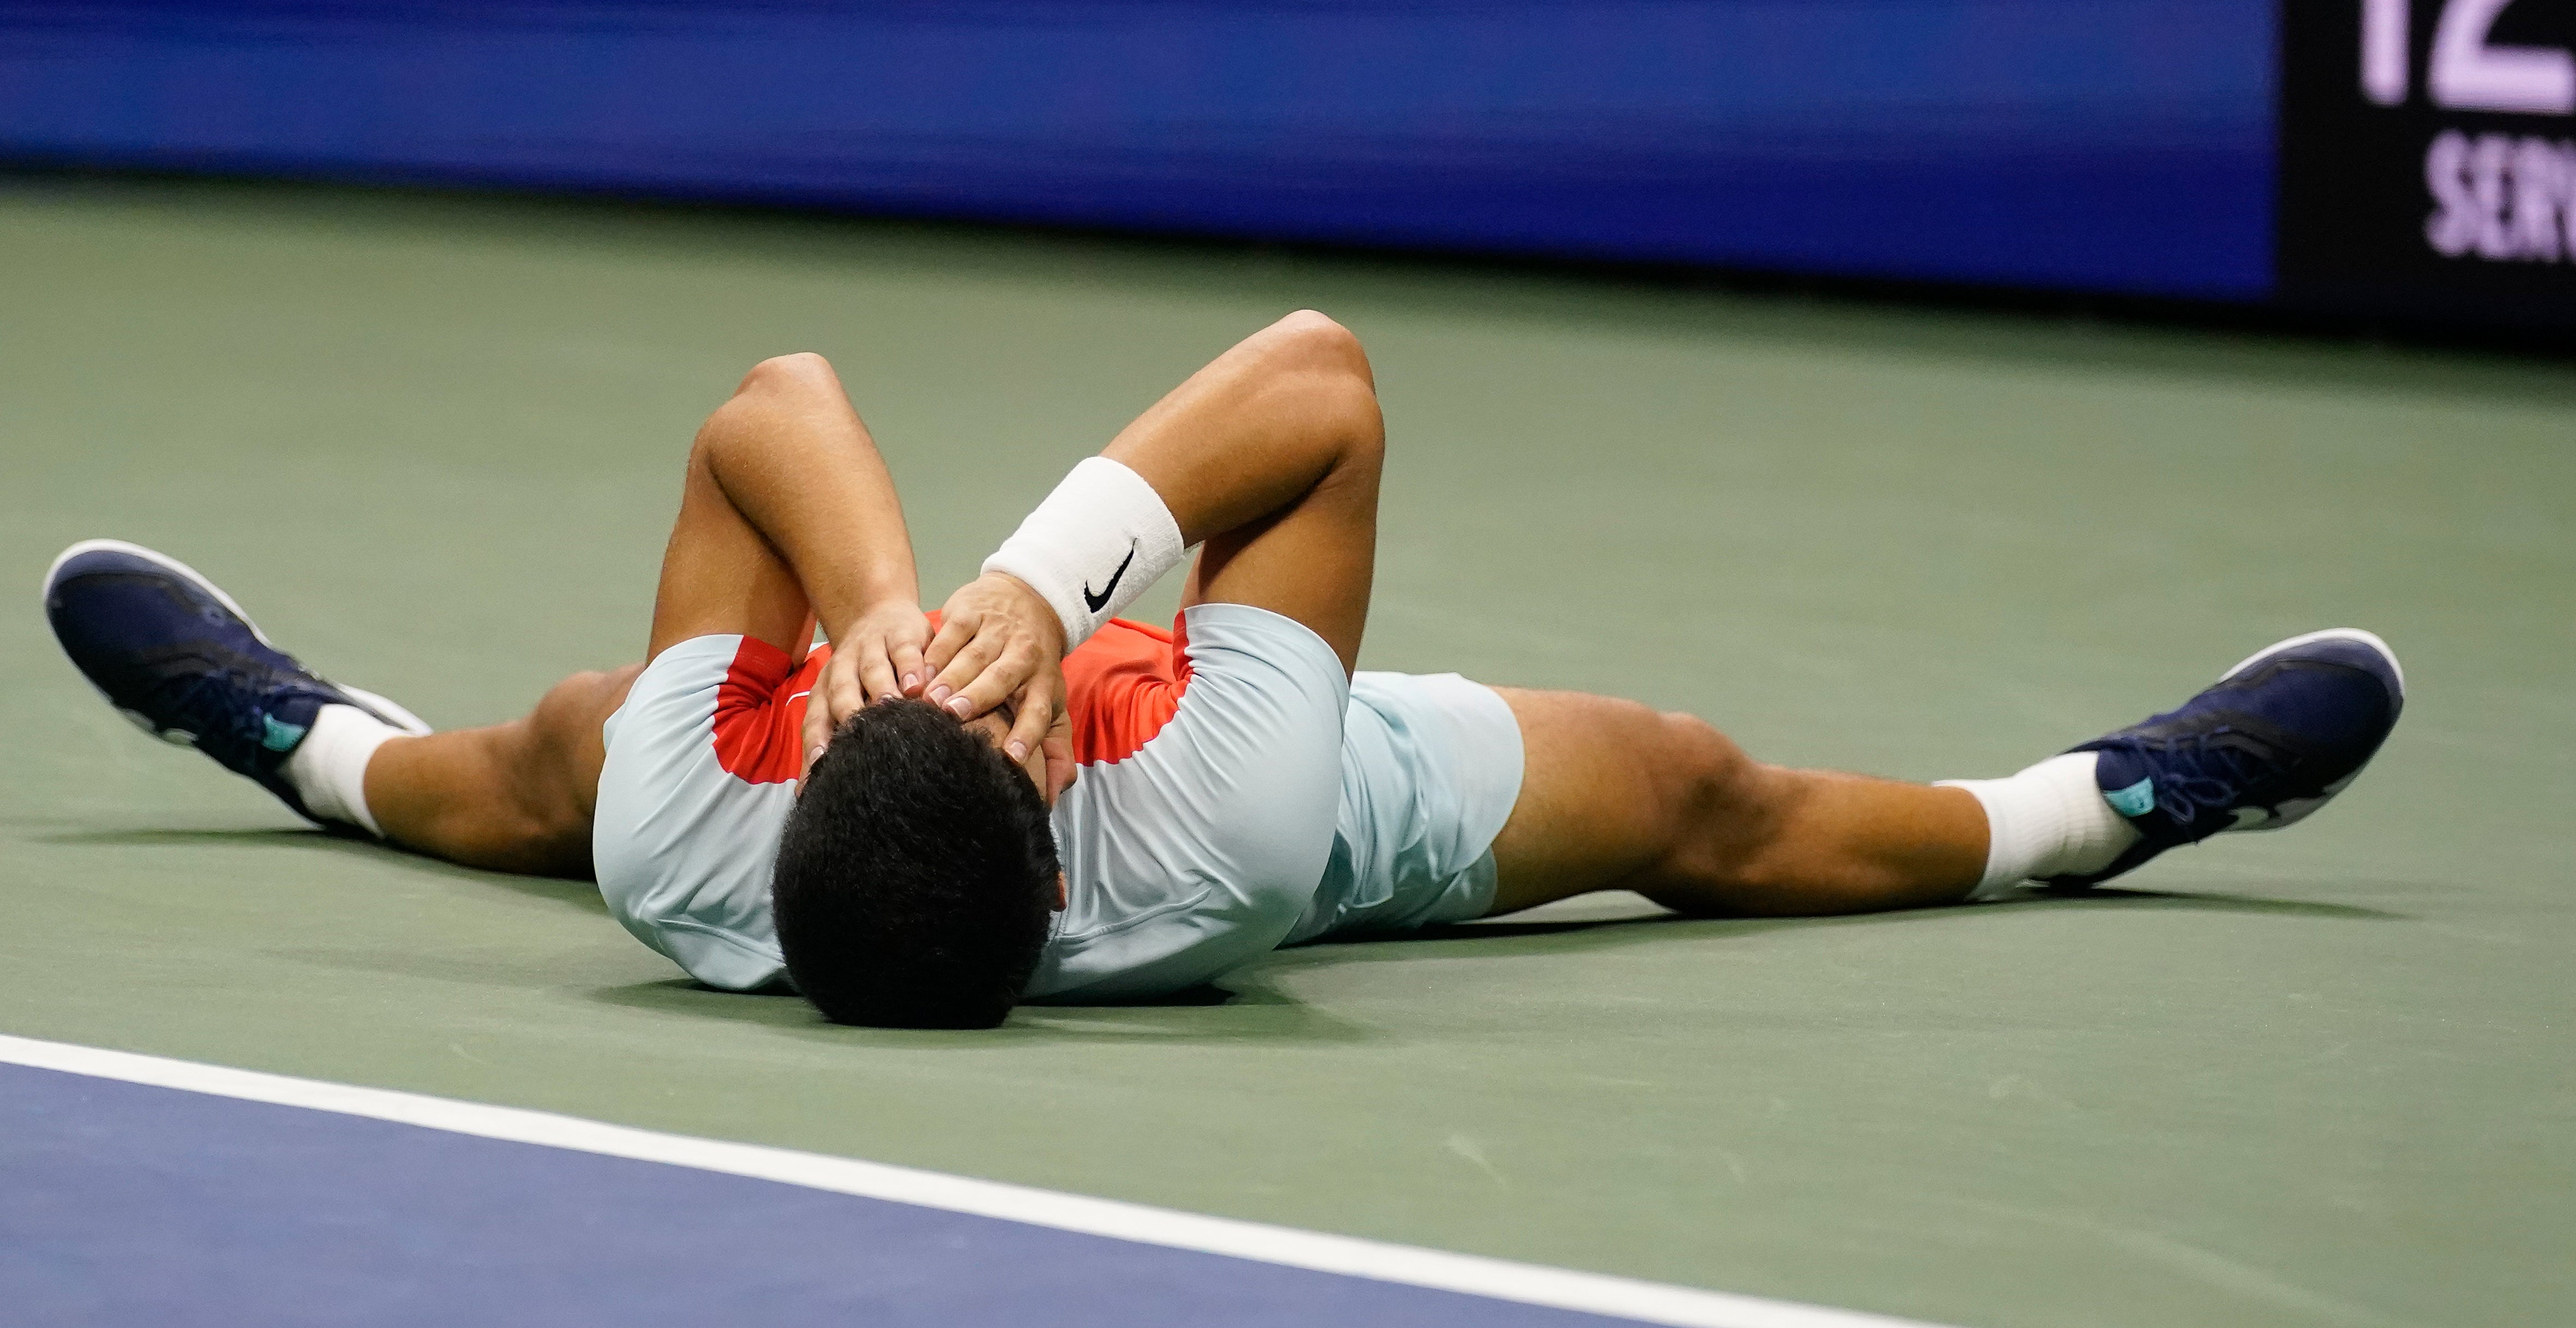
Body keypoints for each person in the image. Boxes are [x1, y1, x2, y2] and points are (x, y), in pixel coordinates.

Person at [41, 312, 2406, 1028]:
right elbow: (1319, 381)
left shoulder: (696, 839)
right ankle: (2106, 805)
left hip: (826, 797)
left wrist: (876, 590)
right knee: (1696, 799)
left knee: (566, 754)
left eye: (910, 686)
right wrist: (1058, 598)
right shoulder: (1222, 820)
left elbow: (768, 400)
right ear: (1059, 779)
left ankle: (296, 739)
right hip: (1300, 813)